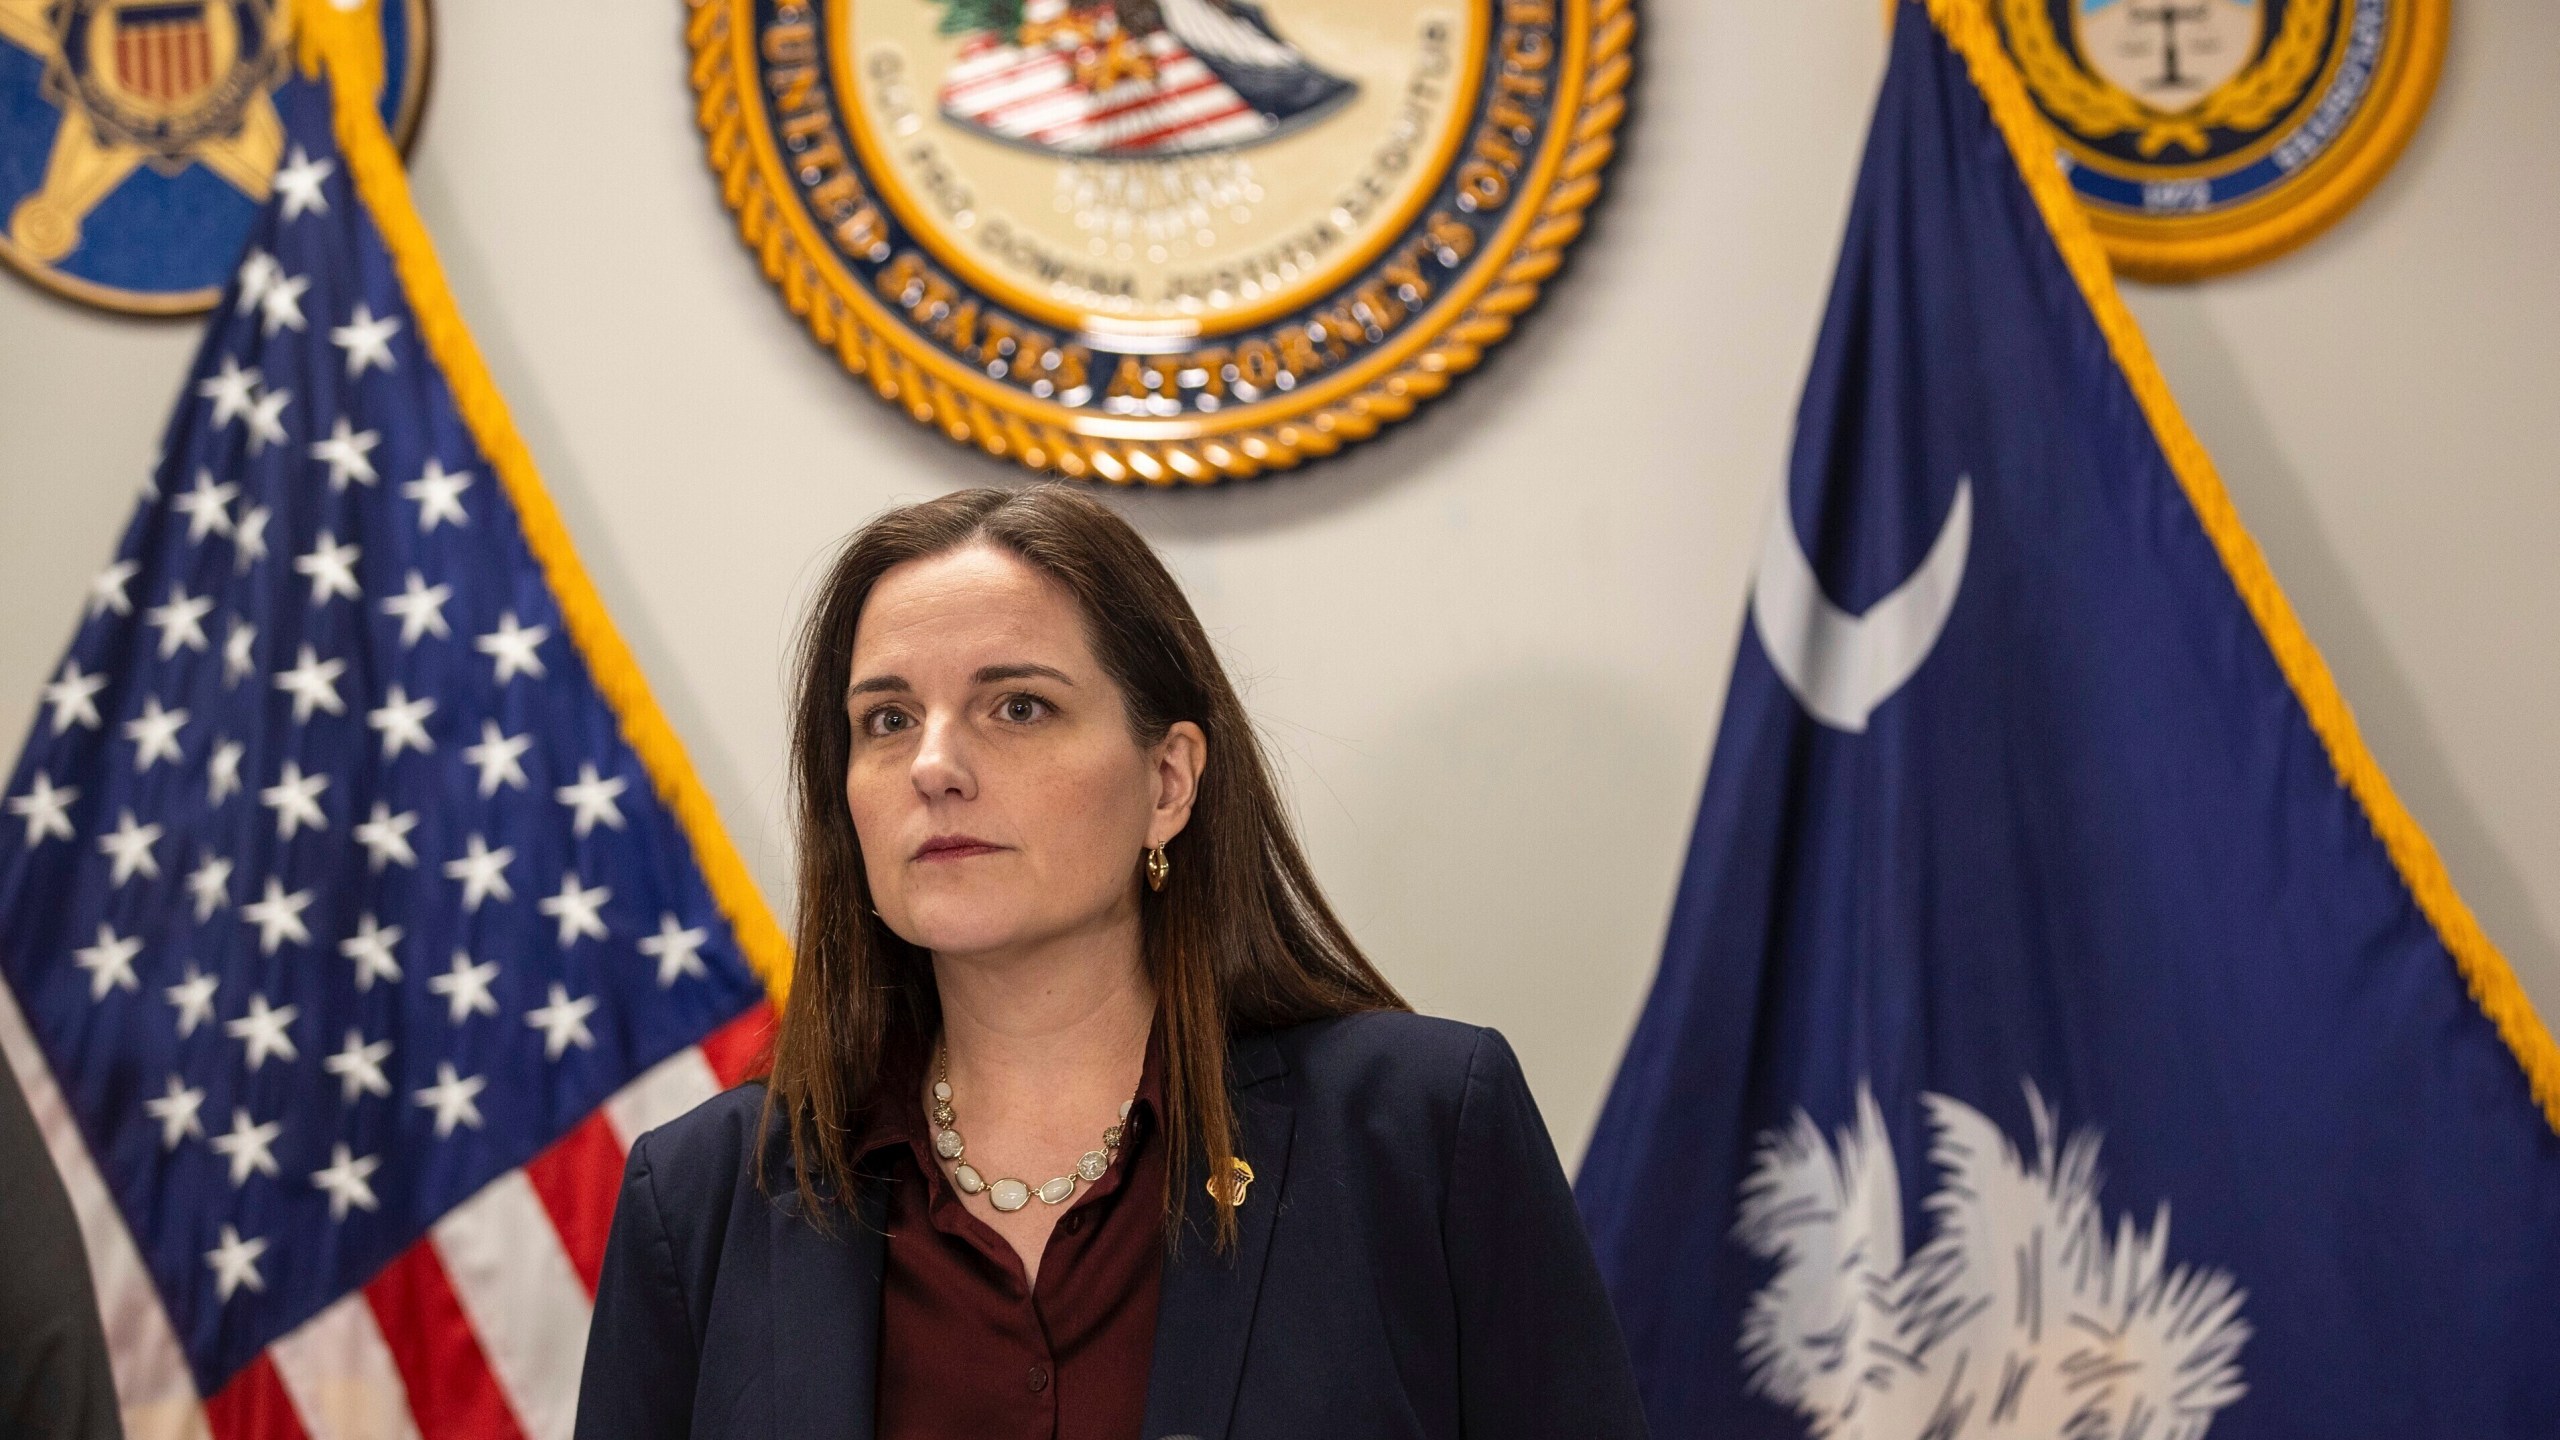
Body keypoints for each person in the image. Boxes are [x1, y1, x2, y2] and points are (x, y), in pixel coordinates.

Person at [573, 485, 1647, 1440]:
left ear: (1169, 782)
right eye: (888, 719)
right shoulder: (705, 1196)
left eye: (1018, 706)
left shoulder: (1418, 1131)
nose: (935, 766)